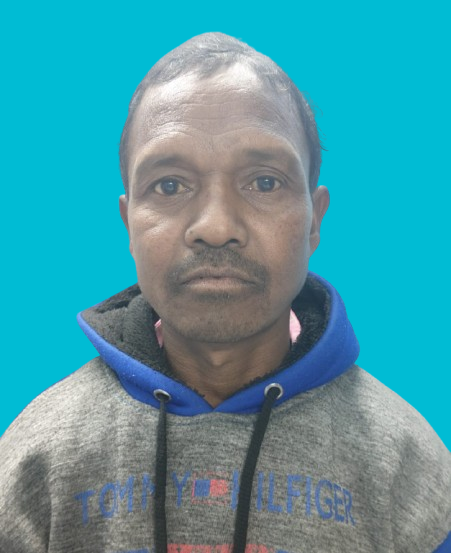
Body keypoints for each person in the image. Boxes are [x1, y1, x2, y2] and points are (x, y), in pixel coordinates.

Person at [1, 32, 450, 553]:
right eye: (170, 185)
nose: (216, 228)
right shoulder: (35, 460)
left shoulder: (409, 468)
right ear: (128, 224)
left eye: (264, 182)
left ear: (314, 221)